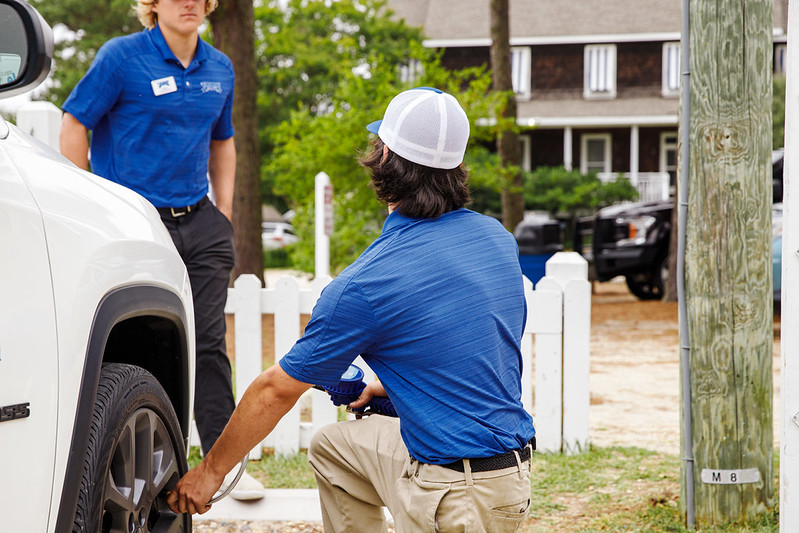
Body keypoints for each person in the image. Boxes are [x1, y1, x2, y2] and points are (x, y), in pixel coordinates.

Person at [166, 87, 536, 531]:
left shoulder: (365, 284)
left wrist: (209, 473)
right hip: (509, 476)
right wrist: (389, 388)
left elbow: (275, 391)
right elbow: (476, 346)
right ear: (456, 168)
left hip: (456, 494)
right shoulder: (496, 239)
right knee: (332, 448)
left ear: (383, 161)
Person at [59, 0, 265, 501]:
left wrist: (226, 215)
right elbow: (73, 124)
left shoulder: (220, 66)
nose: (190, 2)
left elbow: (224, 142)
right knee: (143, 345)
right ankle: (146, 462)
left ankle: (222, 465)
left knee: (209, 345)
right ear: (152, 5)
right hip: (134, 226)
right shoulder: (120, 57)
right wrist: (91, 204)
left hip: (201, 226)